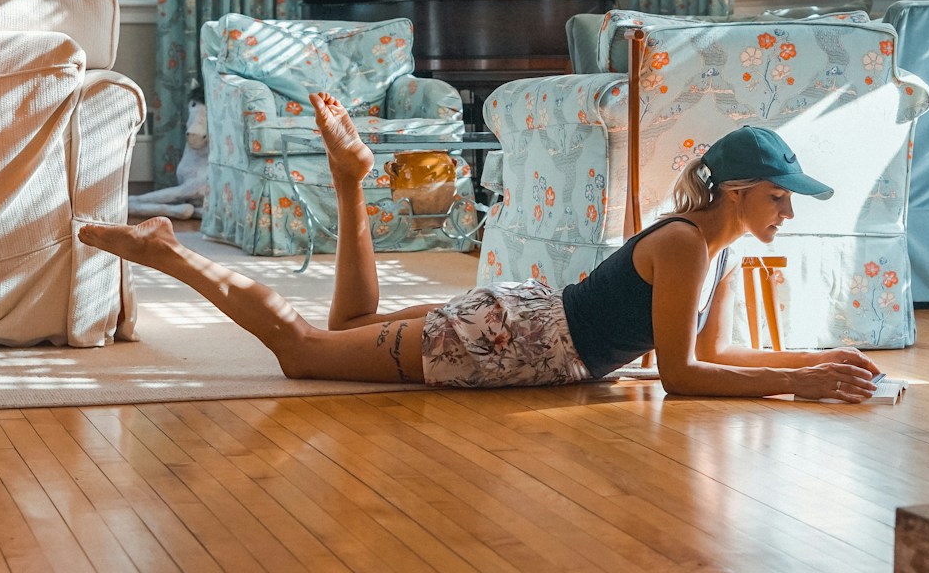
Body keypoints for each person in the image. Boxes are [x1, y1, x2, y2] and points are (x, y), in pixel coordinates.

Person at [80, 94, 882, 401]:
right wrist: (806, 383)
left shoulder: (715, 251)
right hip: (509, 339)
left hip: (522, 322)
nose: (788, 209)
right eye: (779, 194)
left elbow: (713, 357)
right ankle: (169, 252)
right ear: (738, 191)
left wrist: (817, 361)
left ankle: (352, 178)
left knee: (351, 318)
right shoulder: (684, 245)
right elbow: (678, 377)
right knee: (300, 350)